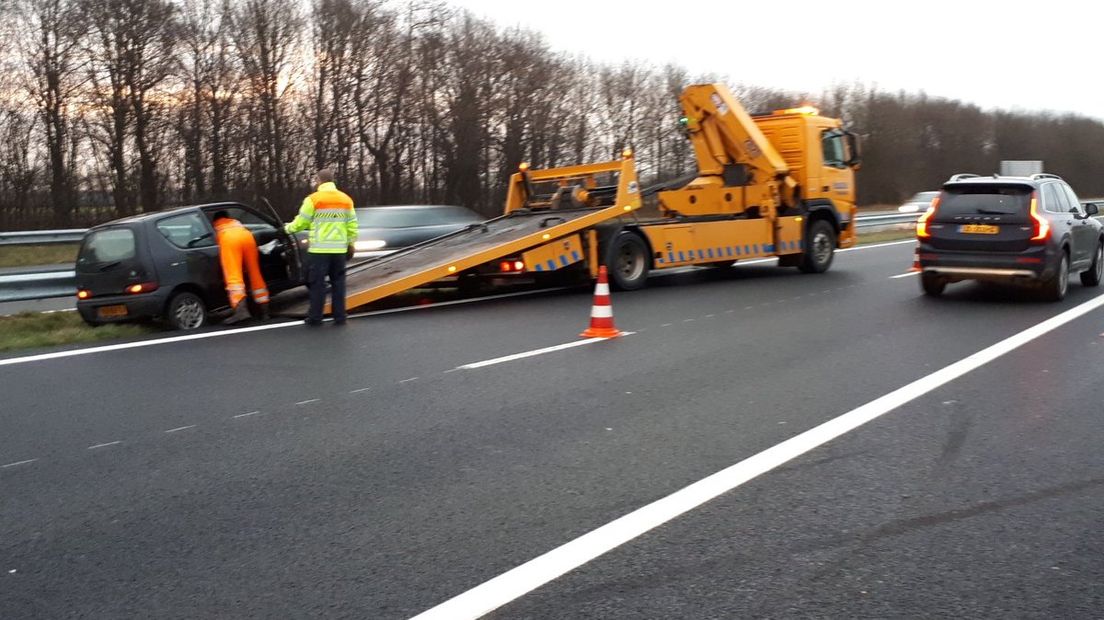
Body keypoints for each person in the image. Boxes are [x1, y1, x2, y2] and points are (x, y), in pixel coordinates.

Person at [285, 168, 358, 326]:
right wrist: (351, 243)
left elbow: (301, 222)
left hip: (319, 250)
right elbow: (352, 225)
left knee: (318, 284)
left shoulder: (313, 199)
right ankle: (340, 317)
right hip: (339, 250)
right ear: (332, 181)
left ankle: (315, 318)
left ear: (319, 180)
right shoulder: (346, 199)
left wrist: (286, 229)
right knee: (339, 284)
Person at [212, 210, 270, 324]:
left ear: (215, 220)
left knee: (233, 276)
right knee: (255, 272)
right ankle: (264, 310)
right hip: (247, 237)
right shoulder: (236, 224)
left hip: (230, 240)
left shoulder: (218, 227)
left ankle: (241, 312)